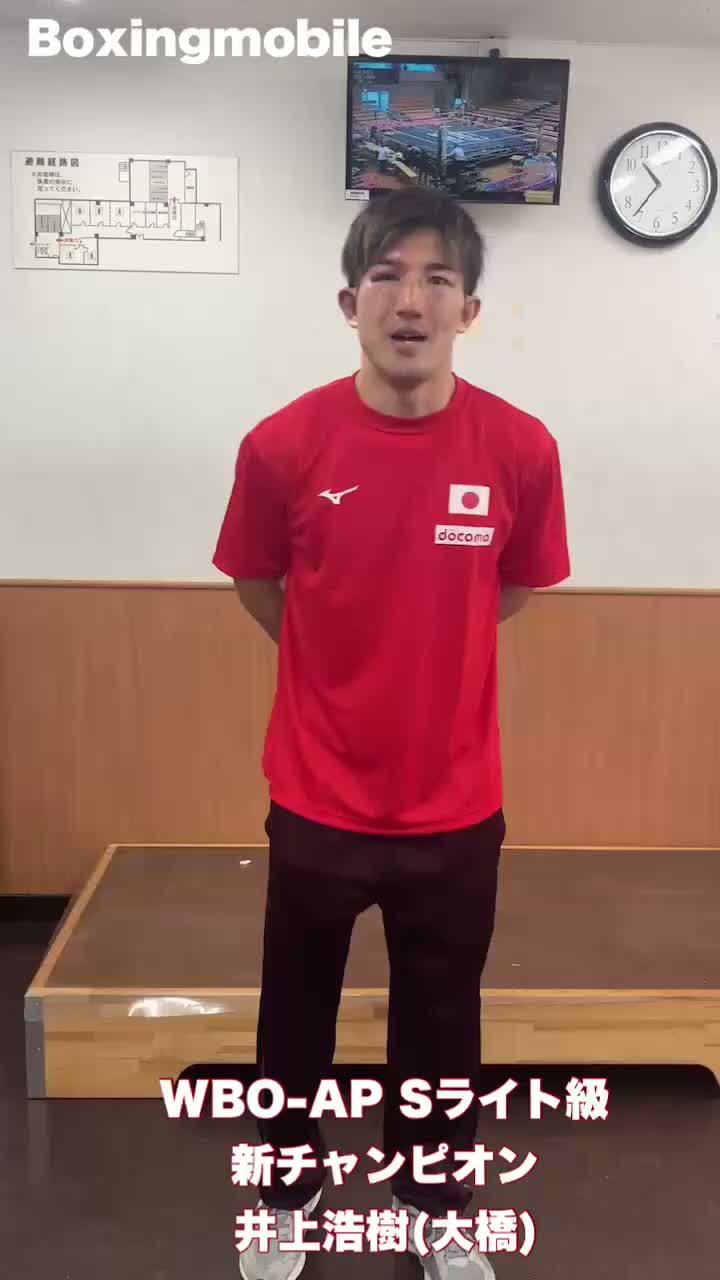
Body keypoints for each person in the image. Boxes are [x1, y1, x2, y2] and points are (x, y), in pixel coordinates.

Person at [213, 188, 570, 1280]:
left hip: (456, 805)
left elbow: (514, 587)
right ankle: (288, 1192)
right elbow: (258, 581)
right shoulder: (283, 444)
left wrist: (430, 648)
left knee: (442, 1022)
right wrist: (334, 663)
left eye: (437, 280)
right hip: (316, 796)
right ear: (348, 301)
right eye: (386, 277)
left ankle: (436, 1204)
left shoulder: (520, 447)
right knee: (294, 1020)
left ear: (470, 311)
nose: (409, 301)